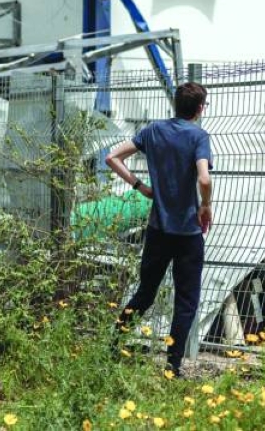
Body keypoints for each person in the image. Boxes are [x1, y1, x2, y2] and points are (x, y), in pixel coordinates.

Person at [105, 82, 213, 377]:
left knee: (146, 292)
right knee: (186, 300)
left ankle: (113, 344)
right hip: (188, 233)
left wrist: (141, 187)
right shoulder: (198, 136)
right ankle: (172, 366)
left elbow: (112, 157)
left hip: (157, 229)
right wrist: (206, 205)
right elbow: (204, 179)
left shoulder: (153, 131)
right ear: (200, 108)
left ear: (175, 104)